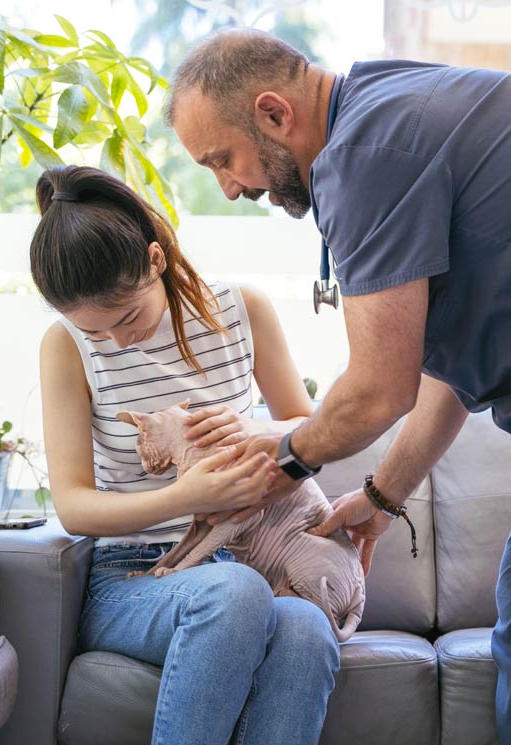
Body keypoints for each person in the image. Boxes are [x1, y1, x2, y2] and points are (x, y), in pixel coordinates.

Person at [165, 28, 511, 745]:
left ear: (273, 113)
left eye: (223, 160)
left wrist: (286, 459)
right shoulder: (383, 119)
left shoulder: (366, 153)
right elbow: (437, 368)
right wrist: (382, 493)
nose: (231, 187)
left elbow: (374, 388)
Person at [29, 164, 339, 745]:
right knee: (236, 593)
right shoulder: (64, 348)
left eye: (126, 318)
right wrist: (184, 497)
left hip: (245, 560)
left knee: (305, 626)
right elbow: (73, 507)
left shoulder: (242, 309)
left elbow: (310, 429)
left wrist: (253, 427)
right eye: (94, 331)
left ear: (155, 260)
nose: (117, 342)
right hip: (132, 576)